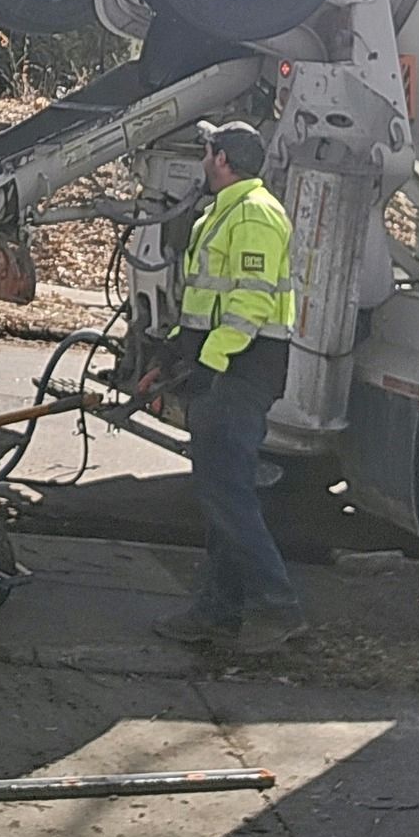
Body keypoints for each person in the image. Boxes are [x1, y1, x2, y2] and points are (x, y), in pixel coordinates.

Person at [152, 119, 305, 654]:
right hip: (225, 370)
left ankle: (276, 606)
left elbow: (250, 302)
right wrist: (174, 353)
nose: (202, 159)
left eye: (207, 151)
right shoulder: (226, 212)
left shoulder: (257, 214)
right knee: (220, 495)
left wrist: (211, 363)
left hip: (242, 373)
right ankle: (218, 609)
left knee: (230, 497)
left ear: (221, 159)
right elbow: (207, 302)